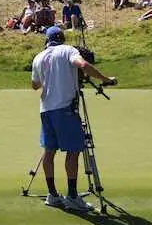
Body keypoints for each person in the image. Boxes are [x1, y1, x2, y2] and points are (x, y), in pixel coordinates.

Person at [31, 26, 117, 211]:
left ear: (47, 40)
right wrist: (104, 79)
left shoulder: (38, 57)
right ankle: (71, 196)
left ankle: (52, 195)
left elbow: (35, 84)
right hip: (65, 108)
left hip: (46, 109)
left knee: (49, 151)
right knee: (73, 151)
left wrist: (51, 78)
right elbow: (83, 65)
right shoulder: (68, 50)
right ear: (62, 38)